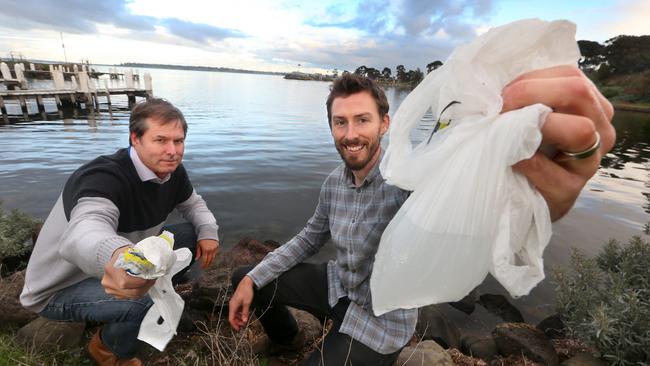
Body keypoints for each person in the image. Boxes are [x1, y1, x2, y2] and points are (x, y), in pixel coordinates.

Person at [229, 68, 615, 365]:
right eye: (340, 121)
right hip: (338, 287)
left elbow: (467, 201)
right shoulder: (334, 182)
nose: (350, 134)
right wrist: (252, 277)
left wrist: (526, 183)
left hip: (381, 322)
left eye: (362, 120)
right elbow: (309, 238)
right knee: (244, 279)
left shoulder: (411, 177)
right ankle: (287, 337)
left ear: (385, 123)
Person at [20, 98, 220, 366]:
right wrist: (117, 255)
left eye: (178, 141)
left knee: (190, 236)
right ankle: (107, 349)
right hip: (60, 287)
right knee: (146, 304)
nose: (172, 151)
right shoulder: (103, 177)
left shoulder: (172, 173)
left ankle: (136, 295)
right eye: (160, 140)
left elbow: (193, 204)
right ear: (135, 139)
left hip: (120, 264)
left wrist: (208, 231)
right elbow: (85, 228)